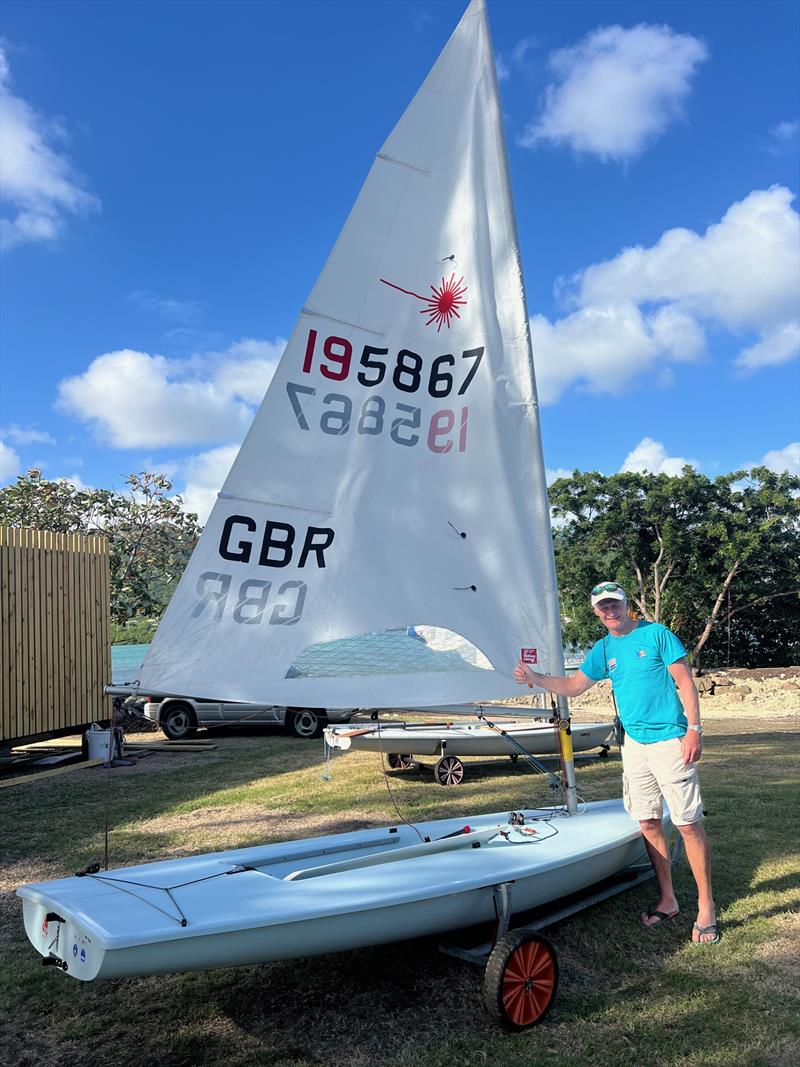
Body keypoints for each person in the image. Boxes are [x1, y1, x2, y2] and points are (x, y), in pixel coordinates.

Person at [514, 580, 718, 945]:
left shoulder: (657, 634)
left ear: (626, 605)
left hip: (671, 740)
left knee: (688, 824)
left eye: (615, 604)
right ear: (597, 612)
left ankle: (706, 908)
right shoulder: (604, 648)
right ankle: (668, 899)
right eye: (603, 607)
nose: (610, 611)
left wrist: (694, 730)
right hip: (635, 746)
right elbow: (575, 685)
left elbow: (685, 682)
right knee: (648, 821)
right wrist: (535, 678)